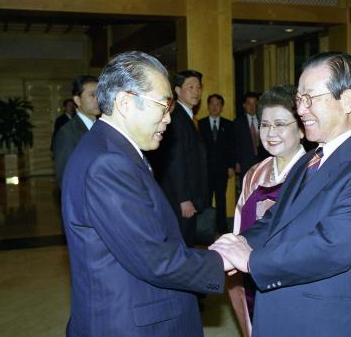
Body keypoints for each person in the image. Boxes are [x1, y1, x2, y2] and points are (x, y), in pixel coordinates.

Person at [211, 52, 351, 337]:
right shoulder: (310, 158)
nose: (300, 110)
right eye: (299, 100)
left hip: (324, 322)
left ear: (347, 100)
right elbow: (278, 218)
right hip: (279, 311)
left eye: (310, 98)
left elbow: (331, 247)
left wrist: (251, 261)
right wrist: (238, 243)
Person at [61, 51, 227, 336]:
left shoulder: (109, 147)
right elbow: (155, 259)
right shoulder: (108, 162)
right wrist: (222, 260)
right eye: (163, 105)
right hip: (131, 321)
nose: (168, 119)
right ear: (125, 102)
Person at [228, 84, 305, 337]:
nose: (271, 133)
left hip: (295, 283)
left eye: (280, 124)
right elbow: (241, 228)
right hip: (251, 276)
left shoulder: (314, 173)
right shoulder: (254, 174)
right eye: (264, 124)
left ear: (302, 129)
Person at [154, 69, 208, 247]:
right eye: (190, 87)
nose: (196, 92)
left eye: (198, 87)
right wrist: (183, 199)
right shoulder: (176, 118)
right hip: (182, 199)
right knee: (182, 244)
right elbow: (175, 161)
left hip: (189, 195)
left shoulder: (189, 117)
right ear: (177, 91)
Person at [198, 94, 235, 235]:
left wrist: (231, 166)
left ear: (221, 107)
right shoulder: (200, 124)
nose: (214, 107)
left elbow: (232, 147)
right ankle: (206, 228)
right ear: (208, 106)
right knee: (206, 199)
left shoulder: (228, 124)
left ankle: (222, 229)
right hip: (204, 170)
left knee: (221, 199)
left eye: (217, 104)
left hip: (222, 169)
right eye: (212, 104)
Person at [53, 75, 100, 186]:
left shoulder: (102, 127)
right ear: (77, 100)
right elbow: (65, 178)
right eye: (92, 95)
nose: (98, 99)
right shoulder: (67, 133)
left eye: (100, 94)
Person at [234, 92, 268, 180]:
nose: (252, 106)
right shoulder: (237, 123)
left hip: (263, 159)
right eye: (249, 103)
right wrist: (237, 162)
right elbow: (235, 144)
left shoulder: (264, 120)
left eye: (255, 103)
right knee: (246, 187)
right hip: (245, 161)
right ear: (244, 105)